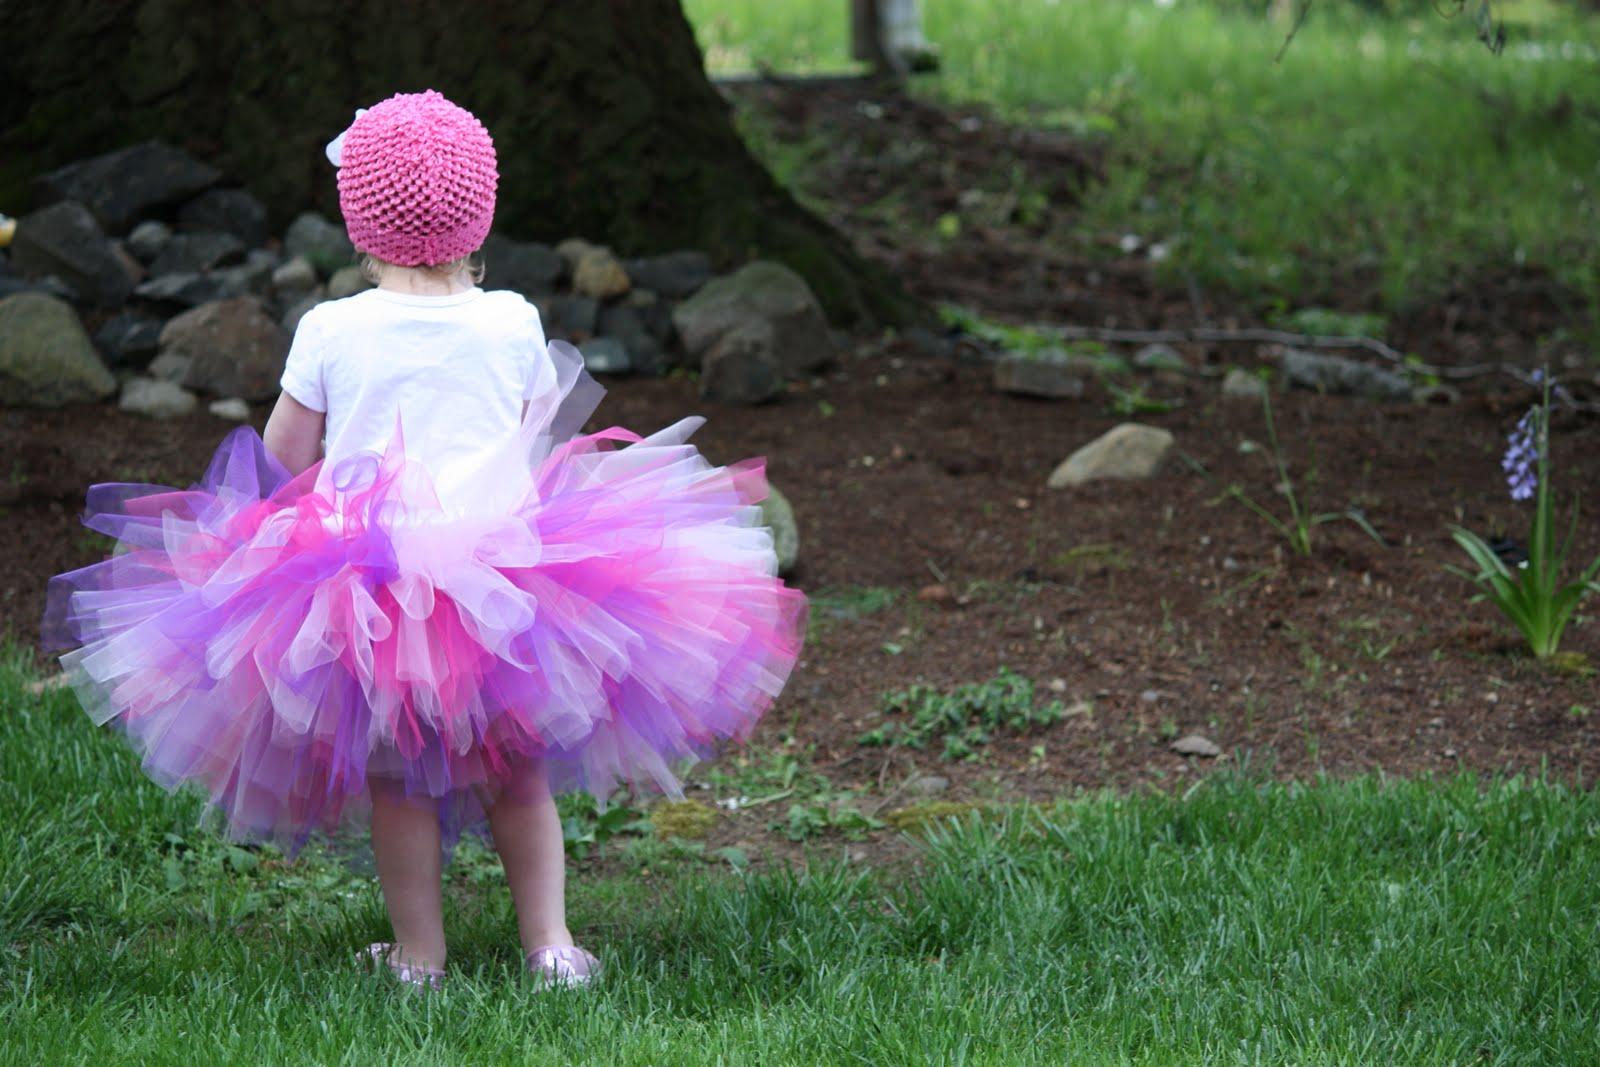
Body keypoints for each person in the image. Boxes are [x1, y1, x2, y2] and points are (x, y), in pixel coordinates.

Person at [42, 90, 808, 993]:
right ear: (479, 216)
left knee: (399, 783)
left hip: (368, 595)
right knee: (520, 778)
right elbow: (535, 437)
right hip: (510, 583)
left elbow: (284, 455)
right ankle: (552, 946)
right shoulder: (514, 319)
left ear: (358, 221)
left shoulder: (331, 330)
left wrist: (274, 525)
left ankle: (419, 958)